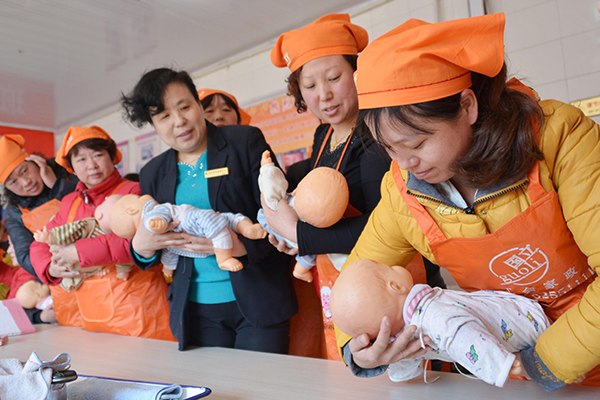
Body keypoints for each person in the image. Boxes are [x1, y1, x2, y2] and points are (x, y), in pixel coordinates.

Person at [336, 13, 600, 390]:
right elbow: (359, 277)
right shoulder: (403, 192)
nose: (405, 164)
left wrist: (540, 363)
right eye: (389, 148)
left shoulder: (561, 139)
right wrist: (357, 348)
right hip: (517, 377)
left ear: (467, 106)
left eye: (416, 144)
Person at [268, 13, 418, 360]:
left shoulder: (377, 132)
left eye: (335, 77)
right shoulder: (323, 135)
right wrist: (288, 228)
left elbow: (388, 224)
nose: (325, 94)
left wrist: (299, 233)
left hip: (392, 282)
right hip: (343, 282)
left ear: (357, 73)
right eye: (310, 85)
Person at [120, 68, 297, 352]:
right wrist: (140, 248)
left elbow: (279, 215)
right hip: (196, 311)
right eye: (164, 116)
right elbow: (154, 243)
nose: (179, 121)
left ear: (198, 104)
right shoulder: (152, 172)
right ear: (153, 123)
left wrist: (240, 247)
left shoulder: (245, 143)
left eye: (185, 107)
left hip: (258, 301)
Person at [29, 126, 173, 340]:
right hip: (91, 317)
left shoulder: (134, 191)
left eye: (98, 155)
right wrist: (51, 268)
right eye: (81, 160)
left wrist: (78, 252)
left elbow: (139, 241)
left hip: (139, 312)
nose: (92, 165)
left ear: (112, 157)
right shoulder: (69, 202)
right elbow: (40, 243)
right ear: (72, 168)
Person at [331, 259, 552, 387]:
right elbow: (464, 336)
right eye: (385, 266)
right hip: (531, 331)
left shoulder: (412, 328)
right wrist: (512, 366)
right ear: (396, 286)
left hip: (528, 320)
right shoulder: (432, 316)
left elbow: (403, 370)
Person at [0, 135, 77, 279]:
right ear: (7, 188)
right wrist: (50, 268)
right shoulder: (14, 211)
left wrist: (56, 185)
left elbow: (93, 199)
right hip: (64, 277)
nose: (25, 182)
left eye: (24, 171)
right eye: (13, 182)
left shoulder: (66, 170)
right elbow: (24, 254)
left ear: (34, 161)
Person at [32, 193, 133, 290]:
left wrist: (123, 270)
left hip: (112, 286)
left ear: (100, 215)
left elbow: (124, 253)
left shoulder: (130, 193)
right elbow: (69, 231)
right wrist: (51, 237)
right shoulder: (81, 217)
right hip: (68, 270)